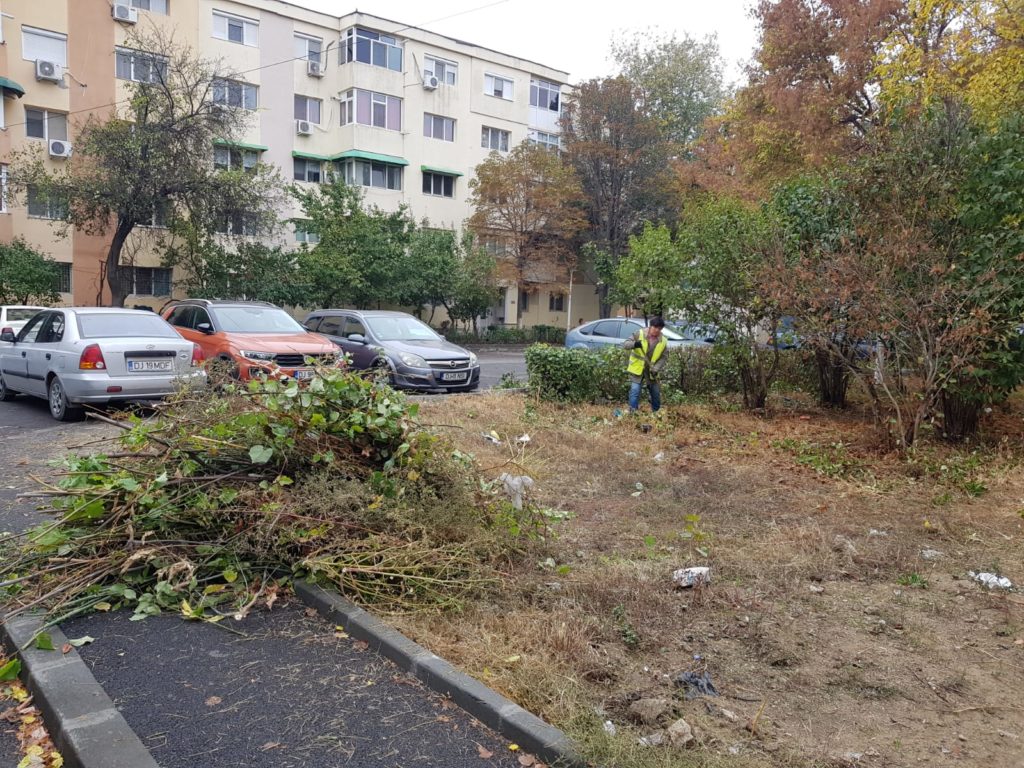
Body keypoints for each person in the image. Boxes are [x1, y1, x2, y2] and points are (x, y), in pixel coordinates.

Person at [623, 316, 667, 413]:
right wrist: (634, 344)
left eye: (659, 329)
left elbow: (663, 357)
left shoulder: (663, 341)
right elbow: (625, 344)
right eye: (655, 327)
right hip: (637, 368)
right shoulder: (639, 334)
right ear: (650, 326)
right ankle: (633, 413)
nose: (657, 330)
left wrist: (656, 368)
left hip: (651, 371)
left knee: (655, 393)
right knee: (635, 391)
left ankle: (656, 413)